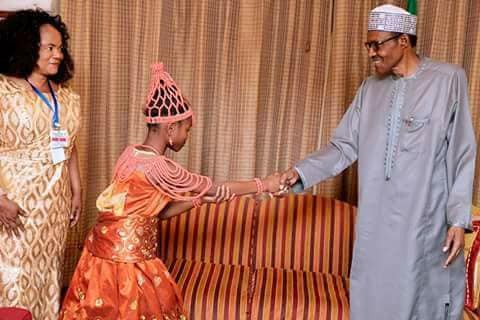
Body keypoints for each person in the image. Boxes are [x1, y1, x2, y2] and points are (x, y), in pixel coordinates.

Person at [279, 4, 477, 320]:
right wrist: (300, 171)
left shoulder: (448, 80)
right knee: (372, 303)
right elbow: (342, 146)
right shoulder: (370, 89)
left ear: (404, 40)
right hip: (375, 226)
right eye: (368, 45)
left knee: (419, 303)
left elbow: (462, 152)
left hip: (422, 223)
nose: (371, 53)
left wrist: (457, 219)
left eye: (378, 44)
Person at [60, 63, 279, 319]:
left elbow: (158, 213)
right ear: (171, 129)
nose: (187, 137)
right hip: (129, 263)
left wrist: (199, 200)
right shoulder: (160, 167)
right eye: (187, 130)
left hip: (101, 252)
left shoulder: (130, 153)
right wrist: (264, 184)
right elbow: (218, 186)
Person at [0, 9, 82, 320]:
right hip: (14, 207)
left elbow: (69, 146)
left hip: (54, 210)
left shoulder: (69, 98)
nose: (58, 54)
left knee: (48, 279)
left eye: (60, 48)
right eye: (50, 47)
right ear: (26, 46)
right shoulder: (3, 91)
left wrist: (77, 189)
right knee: (13, 280)